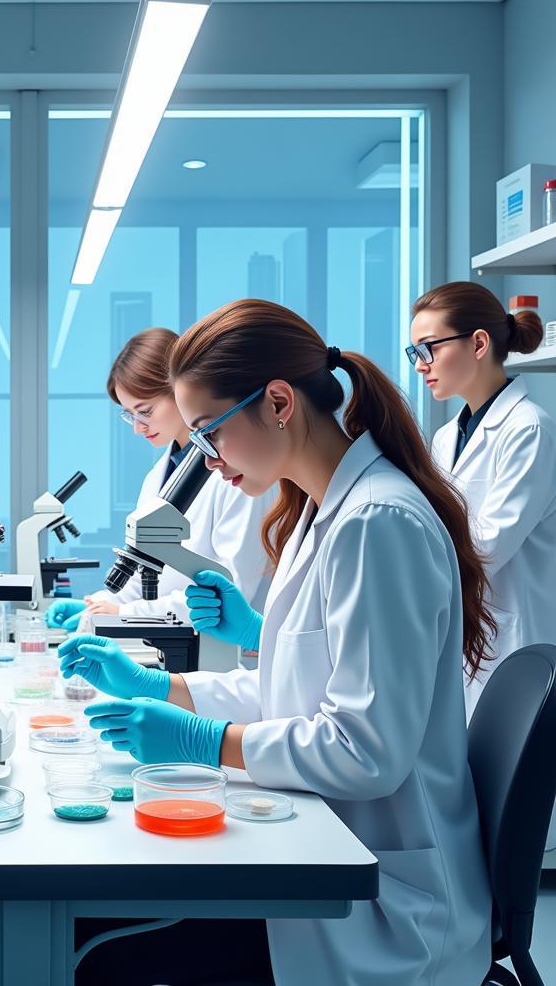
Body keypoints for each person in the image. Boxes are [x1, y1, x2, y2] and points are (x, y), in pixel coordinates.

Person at [61, 299, 493, 986]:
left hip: (383, 904)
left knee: (94, 941)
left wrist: (203, 743)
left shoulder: (376, 523)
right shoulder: (321, 513)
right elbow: (299, 691)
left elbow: (365, 753)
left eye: (209, 434)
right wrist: (165, 689)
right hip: (329, 848)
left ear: (280, 402)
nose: (203, 462)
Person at [46, 327, 274, 641]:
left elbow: (231, 587)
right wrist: (102, 604)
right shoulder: (157, 476)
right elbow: (147, 574)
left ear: (182, 391)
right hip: (175, 643)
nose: (138, 429)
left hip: (232, 656)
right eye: (129, 416)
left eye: (146, 412)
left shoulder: (238, 473)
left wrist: (123, 614)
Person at [409, 282, 556, 717]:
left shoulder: (529, 429)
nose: (421, 366)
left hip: (514, 638)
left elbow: (487, 546)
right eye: (414, 352)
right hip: (466, 635)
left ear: (477, 343)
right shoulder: (444, 436)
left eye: (428, 348)